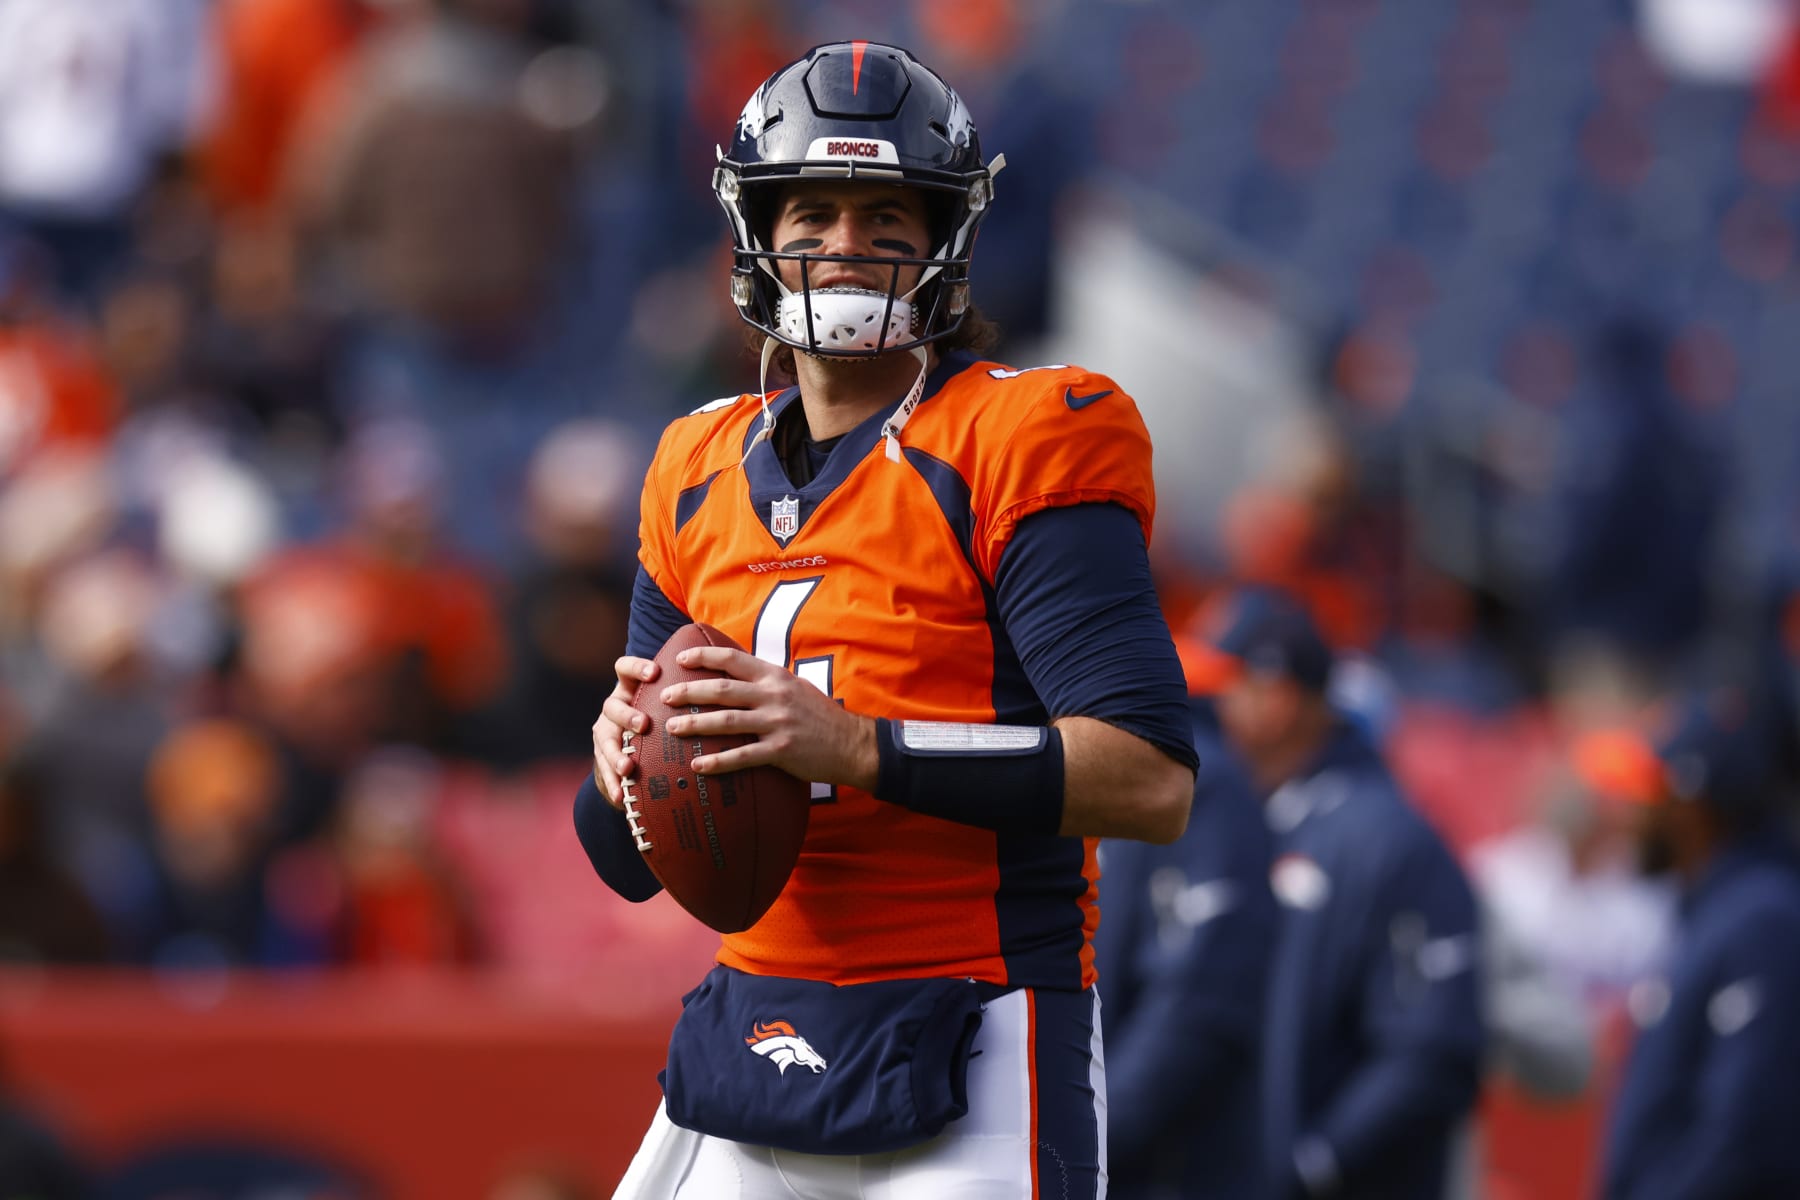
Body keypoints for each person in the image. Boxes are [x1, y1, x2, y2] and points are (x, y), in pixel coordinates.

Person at [572, 40, 1198, 1200]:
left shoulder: (1021, 436)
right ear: (759, 231)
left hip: (973, 1032)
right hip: (747, 1040)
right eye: (811, 214)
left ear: (945, 243)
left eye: (885, 219)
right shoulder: (695, 464)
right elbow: (624, 868)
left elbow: (1151, 778)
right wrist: (620, 771)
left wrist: (858, 746)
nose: (845, 249)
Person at [1201, 587, 1485, 1200]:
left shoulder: (1388, 838)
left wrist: (1314, 1162)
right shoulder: (1252, 819)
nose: (1202, 710)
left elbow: (1432, 1048)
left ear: (1275, 700)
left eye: (1221, 688)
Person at [1599, 690, 1800, 1199]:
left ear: (1691, 804)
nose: (1626, 813)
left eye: (1646, 795)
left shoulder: (1763, 920)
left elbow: (1748, 1133)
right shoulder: (1714, 912)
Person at [1091, 690, 1276, 1199]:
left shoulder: (1202, 779)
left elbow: (1197, 1008)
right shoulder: (1077, 758)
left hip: (1163, 1167)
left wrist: (1089, 1134)